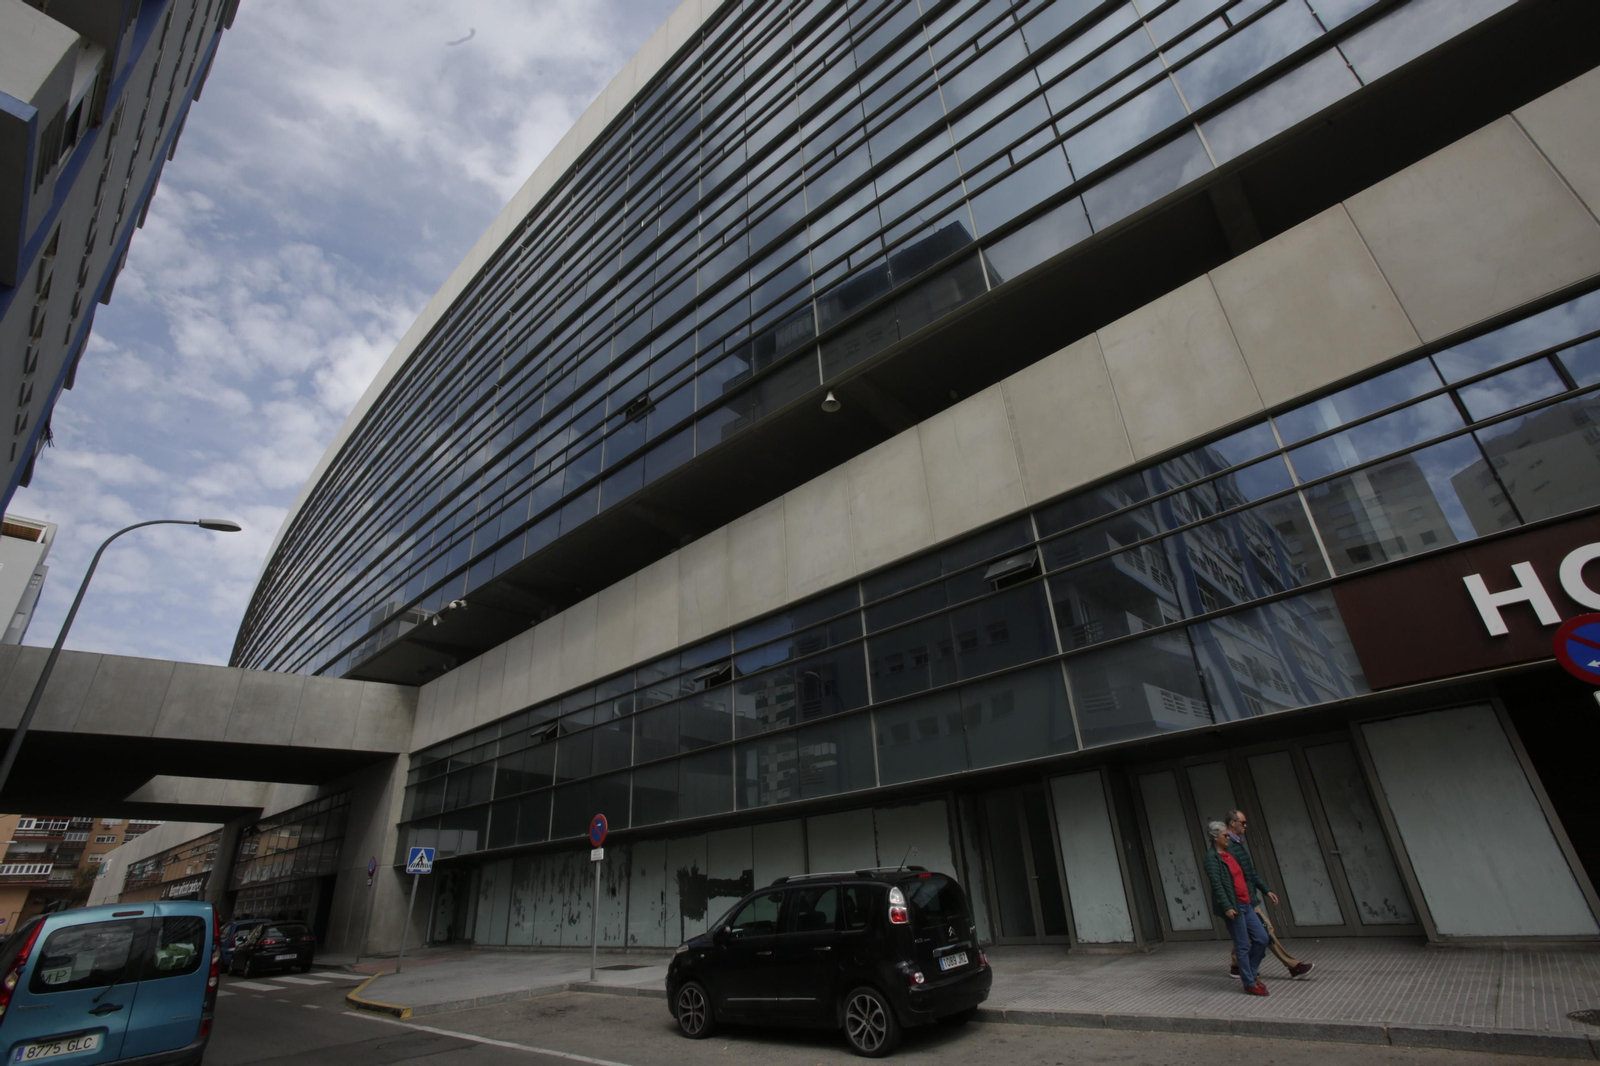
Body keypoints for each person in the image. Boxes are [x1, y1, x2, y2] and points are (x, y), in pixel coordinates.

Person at [1224, 809, 1313, 979]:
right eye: (1243, 823)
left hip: (1247, 898)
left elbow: (1250, 871)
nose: (1246, 826)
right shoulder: (1230, 846)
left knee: (1248, 933)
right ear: (1232, 823)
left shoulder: (1238, 844)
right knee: (1265, 931)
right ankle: (1293, 966)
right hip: (1244, 900)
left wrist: (1266, 890)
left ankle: (1237, 966)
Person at [1204, 820, 1270, 996]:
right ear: (1215, 837)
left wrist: (1264, 891)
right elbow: (1217, 885)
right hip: (1234, 906)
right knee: (1243, 945)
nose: (1228, 838)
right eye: (1225, 835)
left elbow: (1246, 874)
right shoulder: (1212, 859)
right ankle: (1249, 982)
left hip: (1246, 903)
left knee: (1262, 938)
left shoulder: (1230, 853)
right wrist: (1227, 907)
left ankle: (1250, 972)